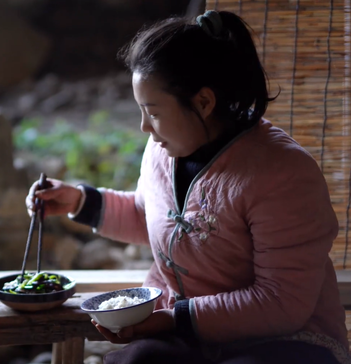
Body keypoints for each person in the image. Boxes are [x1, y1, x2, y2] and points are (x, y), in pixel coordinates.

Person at [25, 10, 351, 364]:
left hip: (284, 338)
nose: (143, 128)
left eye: (153, 112)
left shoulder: (282, 173)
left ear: (204, 102)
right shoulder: (164, 149)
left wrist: (174, 318)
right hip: (189, 330)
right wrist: (78, 201)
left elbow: (281, 302)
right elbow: (151, 216)